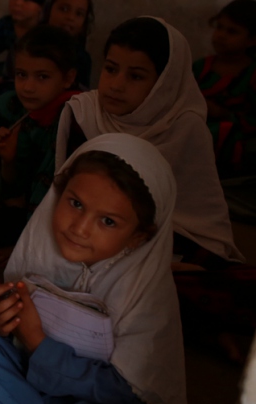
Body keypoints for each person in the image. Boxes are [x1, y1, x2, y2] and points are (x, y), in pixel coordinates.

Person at [0, 134, 187, 404]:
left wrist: (38, 343)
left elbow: (127, 395)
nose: (80, 228)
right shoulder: (40, 248)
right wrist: (0, 322)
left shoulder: (144, 291)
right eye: (76, 204)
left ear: (138, 236)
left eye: (108, 221)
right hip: (22, 388)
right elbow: (0, 344)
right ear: (59, 193)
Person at [56, 16, 245, 268]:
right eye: (111, 69)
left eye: (136, 76)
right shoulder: (83, 115)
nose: (116, 85)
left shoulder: (185, 128)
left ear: (165, 85)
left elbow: (200, 222)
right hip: (84, 235)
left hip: (169, 241)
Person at [0, 25, 81, 250]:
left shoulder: (73, 122)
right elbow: (14, 196)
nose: (28, 87)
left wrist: (20, 250)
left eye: (42, 77)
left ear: (68, 78)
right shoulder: (24, 115)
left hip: (60, 234)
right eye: (21, 75)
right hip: (26, 218)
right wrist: (8, 161)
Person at [193, 0, 256, 177]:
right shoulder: (200, 67)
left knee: (215, 132)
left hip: (231, 135)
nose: (221, 35)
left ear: (252, 40)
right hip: (194, 123)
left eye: (232, 31)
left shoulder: (252, 74)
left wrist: (222, 114)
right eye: (219, 27)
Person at [43, 0, 95, 89]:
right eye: (64, 9)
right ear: (49, 11)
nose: (70, 17)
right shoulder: (28, 45)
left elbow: (80, 95)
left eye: (79, 14)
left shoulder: (82, 59)